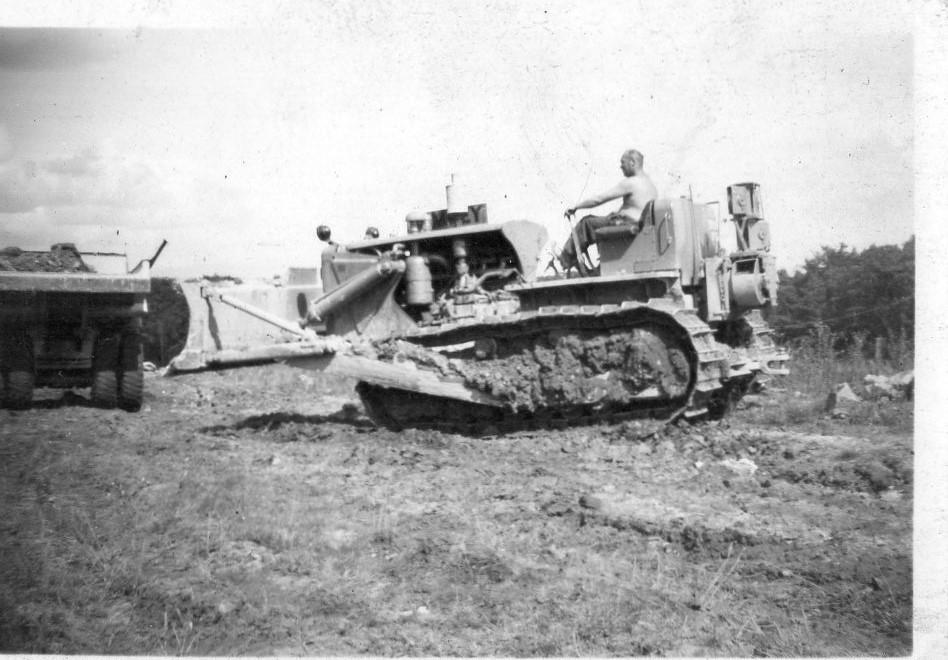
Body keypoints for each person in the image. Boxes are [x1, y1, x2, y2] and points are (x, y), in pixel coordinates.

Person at [557, 148, 658, 272]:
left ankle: (564, 260)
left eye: (623, 162)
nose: (620, 166)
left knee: (587, 223)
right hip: (634, 222)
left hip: (625, 222)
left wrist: (576, 207)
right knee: (604, 220)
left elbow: (599, 199)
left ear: (632, 162)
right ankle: (598, 267)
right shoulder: (650, 185)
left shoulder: (631, 182)